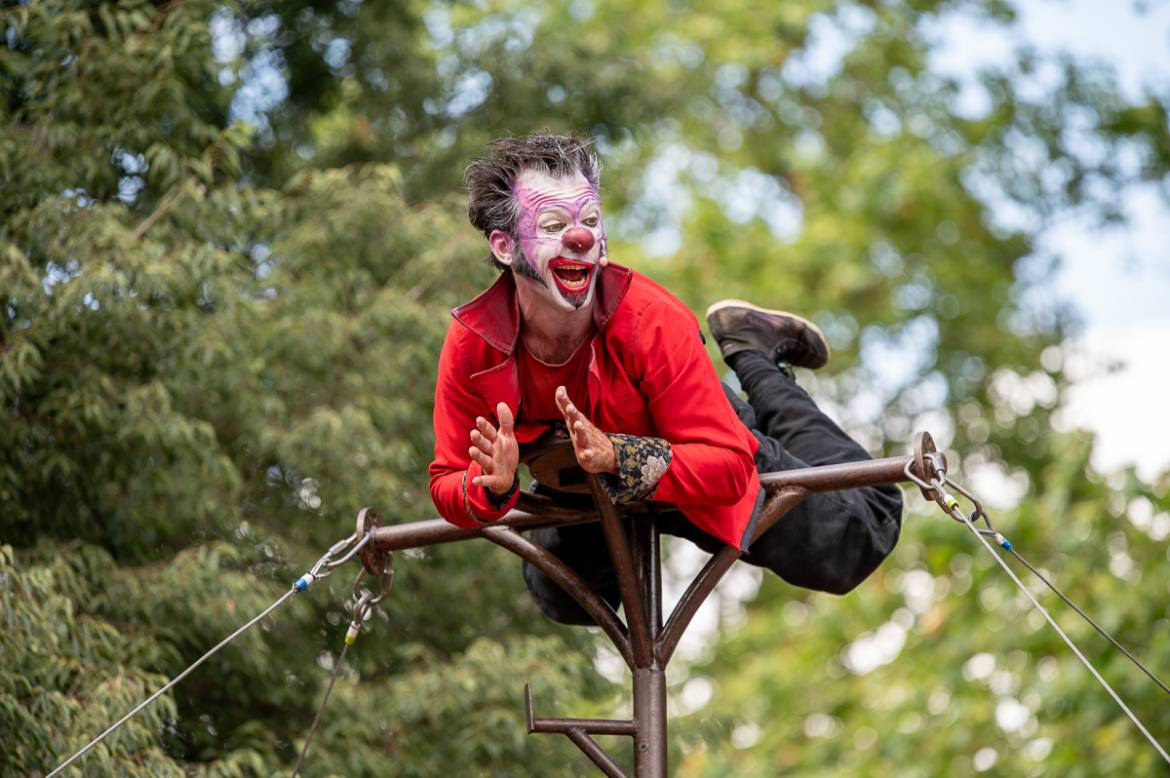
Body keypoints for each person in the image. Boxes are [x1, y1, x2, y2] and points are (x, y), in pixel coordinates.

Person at [428, 132, 902, 625]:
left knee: (857, 540)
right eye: (552, 224)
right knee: (563, 598)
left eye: (591, 220)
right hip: (586, 489)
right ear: (504, 246)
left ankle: (754, 355)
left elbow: (729, 465)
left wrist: (621, 456)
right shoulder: (473, 343)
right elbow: (446, 480)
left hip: (688, 448)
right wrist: (491, 485)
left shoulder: (652, 319)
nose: (581, 238)